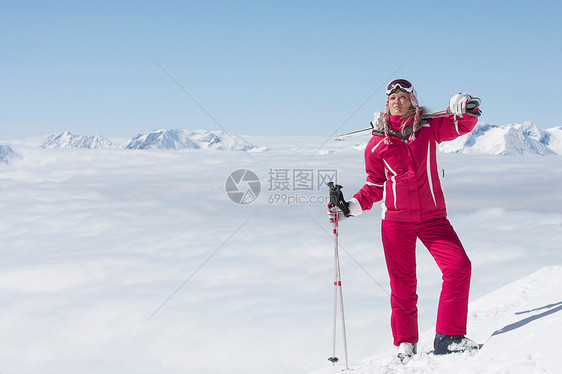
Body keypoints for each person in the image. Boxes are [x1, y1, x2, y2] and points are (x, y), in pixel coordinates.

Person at [328, 78, 480, 363]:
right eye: (392, 98)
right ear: (387, 105)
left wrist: (465, 107)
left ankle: (449, 336)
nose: (398, 101)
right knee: (402, 284)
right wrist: (348, 207)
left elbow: (461, 125)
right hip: (396, 222)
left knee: (459, 267)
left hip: (434, 218)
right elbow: (374, 185)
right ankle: (406, 342)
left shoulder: (430, 128)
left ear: (413, 102)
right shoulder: (376, 145)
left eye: (403, 97)